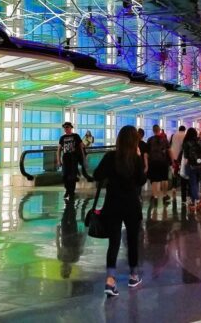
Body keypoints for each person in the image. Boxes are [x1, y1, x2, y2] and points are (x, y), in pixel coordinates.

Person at [93, 125, 147, 297]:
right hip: (131, 205)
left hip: (113, 204)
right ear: (135, 141)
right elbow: (141, 180)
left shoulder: (110, 157)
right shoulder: (136, 159)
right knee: (132, 241)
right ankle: (133, 276)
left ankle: (110, 280)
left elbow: (96, 175)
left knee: (114, 243)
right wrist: (139, 159)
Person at [57, 122, 86, 202]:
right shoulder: (62, 138)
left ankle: (71, 192)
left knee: (72, 176)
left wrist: (83, 158)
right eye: (65, 127)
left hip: (74, 158)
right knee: (64, 175)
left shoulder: (76, 136)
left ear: (71, 127)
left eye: (67, 127)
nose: (66, 129)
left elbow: (81, 148)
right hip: (66, 158)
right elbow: (59, 149)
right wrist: (58, 160)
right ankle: (68, 190)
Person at [182, 127, 201, 211]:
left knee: (192, 183)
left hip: (191, 165)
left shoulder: (186, 143)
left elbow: (186, 156)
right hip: (200, 165)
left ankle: (197, 200)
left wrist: (184, 167)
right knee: (196, 183)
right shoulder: (200, 141)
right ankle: (193, 202)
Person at [146, 125, 170, 206]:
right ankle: (165, 195)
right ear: (159, 130)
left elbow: (147, 153)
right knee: (164, 179)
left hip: (153, 162)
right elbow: (169, 150)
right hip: (163, 161)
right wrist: (173, 161)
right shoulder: (165, 139)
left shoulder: (150, 140)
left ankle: (155, 196)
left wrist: (146, 164)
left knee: (154, 180)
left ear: (153, 130)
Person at [170, 126, 187, 204]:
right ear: (184, 130)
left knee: (174, 172)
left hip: (173, 156)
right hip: (181, 157)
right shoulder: (185, 135)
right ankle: (183, 188)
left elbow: (169, 145)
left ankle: (174, 187)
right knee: (182, 173)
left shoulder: (173, 135)